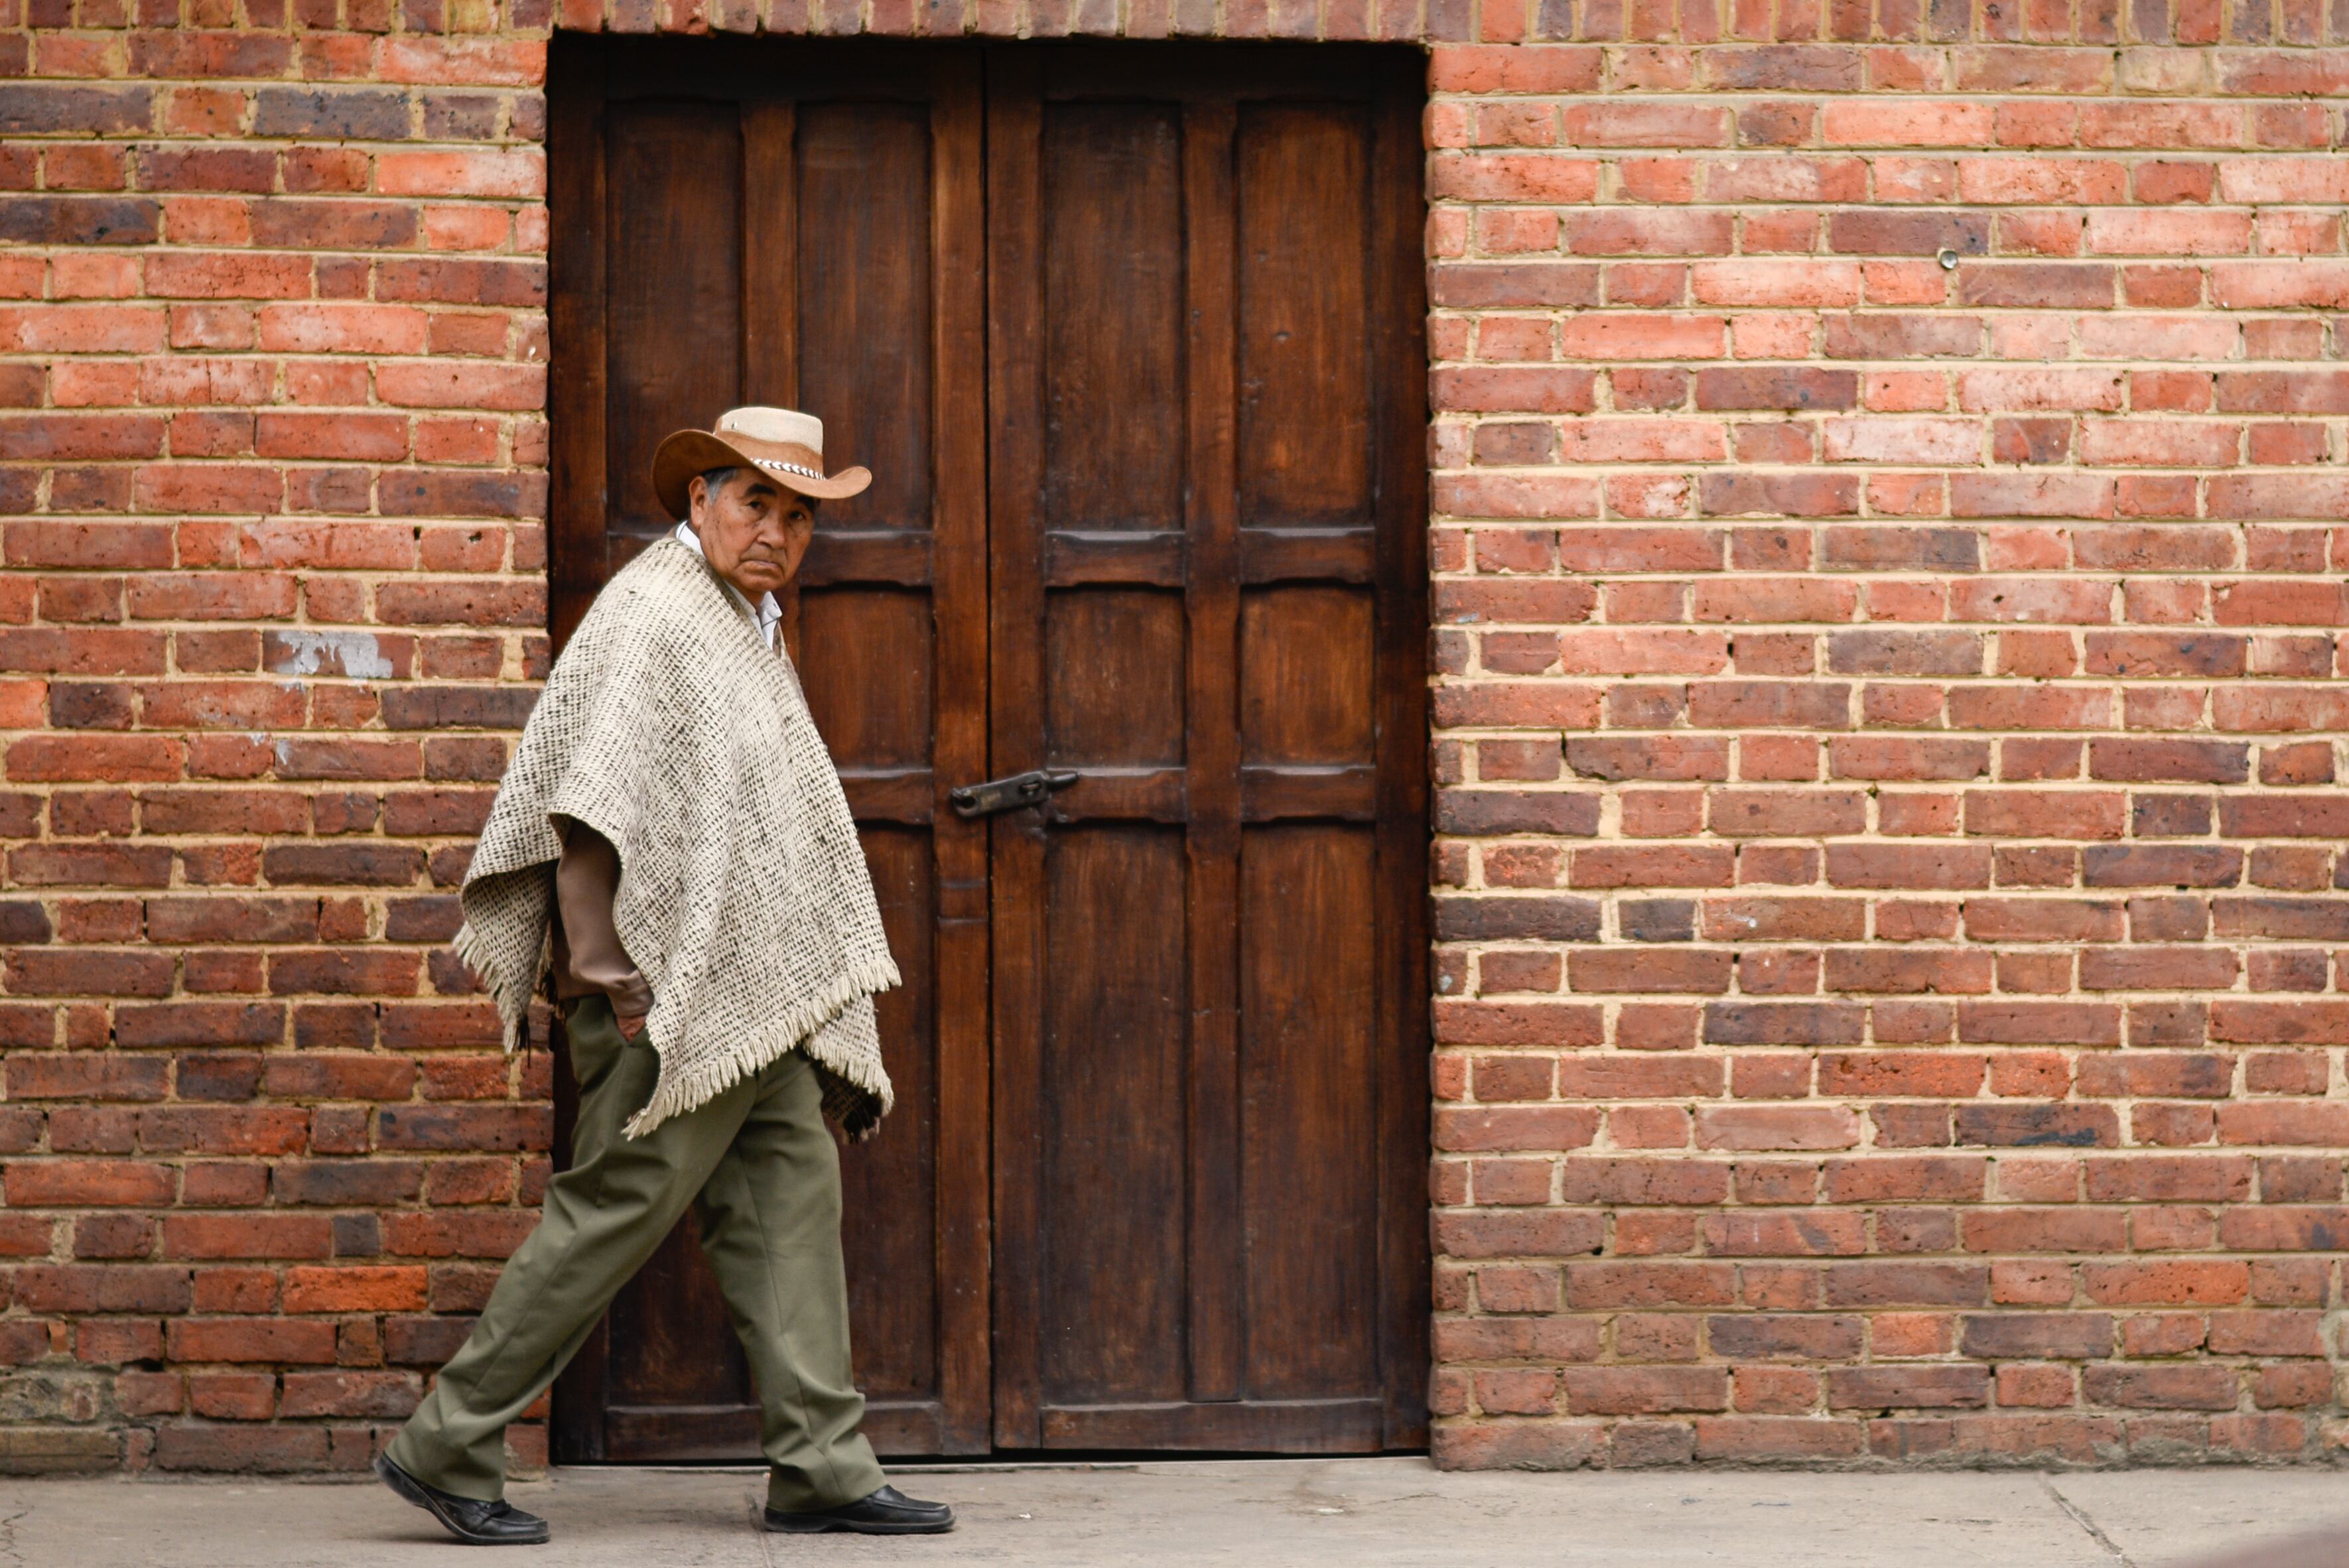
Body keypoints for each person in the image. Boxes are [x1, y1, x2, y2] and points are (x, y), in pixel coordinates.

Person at [373, 407, 953, 1544]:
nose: (777, 531)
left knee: (791, 1203)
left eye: (798, 515)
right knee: (613, 1211)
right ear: (700, 502)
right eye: (756, 503)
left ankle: (822, 1467)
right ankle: (446, 1442)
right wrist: (607, 971)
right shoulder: (655, 613)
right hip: (661, 997)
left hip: (754, 996)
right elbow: (589, 800)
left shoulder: (743, 619)